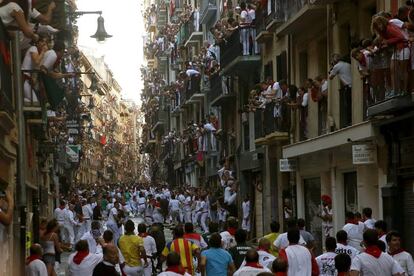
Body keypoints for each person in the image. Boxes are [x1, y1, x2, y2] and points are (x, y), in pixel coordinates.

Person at [329, 54, 352, 127]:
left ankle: (349, 121)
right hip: (352, 85)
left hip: (347, 87)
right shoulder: (348, 64)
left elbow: (330, 77)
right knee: (350, 103)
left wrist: (332, 67)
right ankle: (350, 120)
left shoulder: (337, 66)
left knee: (347, 105)